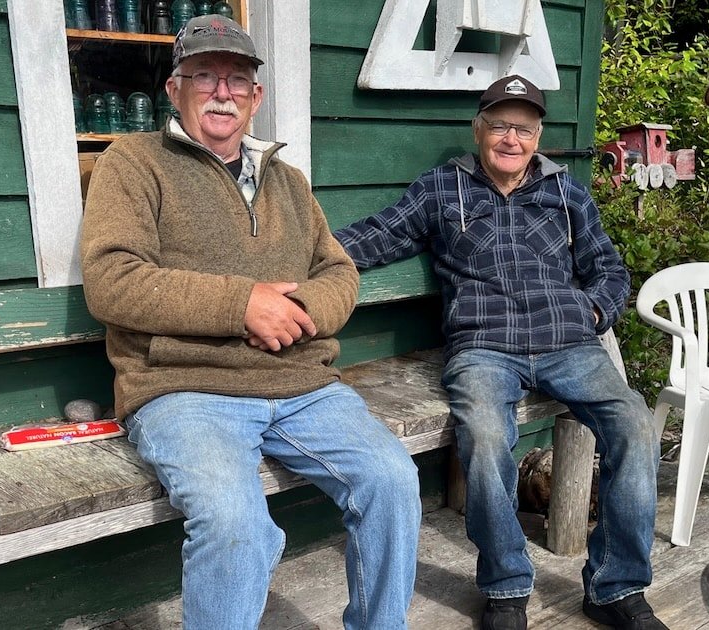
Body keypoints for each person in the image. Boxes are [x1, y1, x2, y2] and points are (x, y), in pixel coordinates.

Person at [80, 15, 421, 629]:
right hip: (185, 390)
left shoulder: (288, 181)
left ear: (256, 97)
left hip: (302, 388)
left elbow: (338, 272)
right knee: (236, 524)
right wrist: (243, 306)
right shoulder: (132, 162)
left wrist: (298, 314)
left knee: (393, 482)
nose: (222, 92)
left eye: (237, 80)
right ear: (174, 88)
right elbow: (112, 281)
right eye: (204, 75)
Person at [334, 75, 666, 630]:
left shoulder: (566, 192)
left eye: (525, 128)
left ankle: (615, 586)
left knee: (635, 426)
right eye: (500, 125)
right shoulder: (443, 188)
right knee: (486, 441)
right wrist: (302, 252)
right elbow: (379, 234)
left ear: (538, 136)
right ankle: (507, 585)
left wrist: (593, 311)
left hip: (569, 345)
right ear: (478, 129)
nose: (512, 138)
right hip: (484, 347)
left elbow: (608, 268)